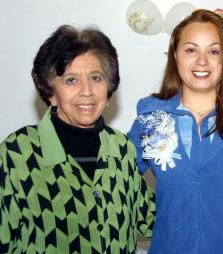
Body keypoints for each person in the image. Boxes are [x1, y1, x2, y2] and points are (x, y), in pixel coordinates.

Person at [127, 9, 223, 254]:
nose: (202, 61)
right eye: (191, 50)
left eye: (213, 51)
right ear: (175, 55)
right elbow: (118, 177)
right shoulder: (151, 118)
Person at [0, 25, 155, 253]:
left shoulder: (122, 149)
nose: (87, 91)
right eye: (71, 80)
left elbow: (154, 220)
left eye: (96, 77)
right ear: (51, 92)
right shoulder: (16, 154)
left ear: (108, 88)